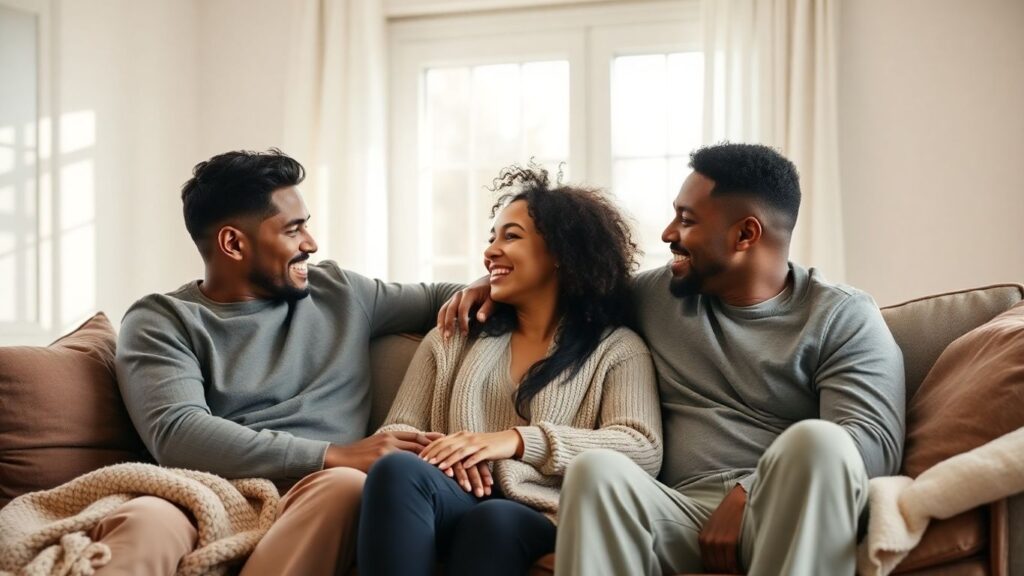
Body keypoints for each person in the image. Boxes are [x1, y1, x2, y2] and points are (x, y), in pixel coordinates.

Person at [438, 143, 906, 575]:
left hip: (784, 511)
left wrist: (749, 491)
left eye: (687, 219)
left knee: (820, 441)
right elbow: (563, 288)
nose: (668, 233)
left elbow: (872, 443)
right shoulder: (659, 295)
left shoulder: (841, 316)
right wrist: (489, 285)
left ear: (745, 234)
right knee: (595, 470)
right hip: (676, 511)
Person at [104, 149, 462, 575]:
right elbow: (178, 433)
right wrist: (333, 454)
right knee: (146, 519)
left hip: (316, 491)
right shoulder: (162, 319)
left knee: (347, 487)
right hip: (201, 489)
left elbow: (443, 297)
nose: (311, 243)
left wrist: (482, 287)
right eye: (293, 230)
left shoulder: (340, 293)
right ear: (233, 243)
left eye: (305, 225)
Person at [356, 165, 663, 576]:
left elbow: (641, 448)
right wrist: (447, 454)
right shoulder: (452, 338)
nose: (490, 252)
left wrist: (514, 442)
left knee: (494, 520)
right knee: (397, 470)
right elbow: (395, 433)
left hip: (543, 509)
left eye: (511, 237)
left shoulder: (617, 349)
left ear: (560, 254)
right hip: (454, 495)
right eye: (491, 239)